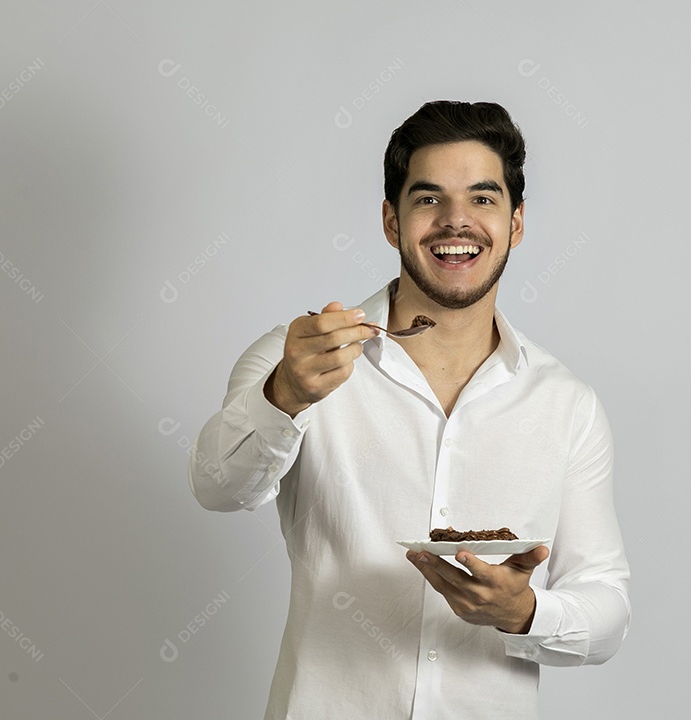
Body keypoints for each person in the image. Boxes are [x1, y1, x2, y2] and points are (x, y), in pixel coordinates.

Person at [188, 100, 630, 719]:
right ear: (392, 222)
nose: (457, 222)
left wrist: (525, 613)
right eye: (428, 200)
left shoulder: (567, 405)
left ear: (516, 222)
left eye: (482, 198)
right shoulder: (299, 358)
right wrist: (284, 397)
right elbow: (216, 487)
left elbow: (606, 607)